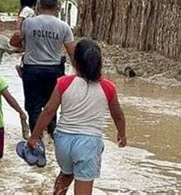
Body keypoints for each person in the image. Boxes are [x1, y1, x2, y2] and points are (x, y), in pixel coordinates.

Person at [27, 39, 127, 194]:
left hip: (63, 141)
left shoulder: (63, 83)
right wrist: (122, 134)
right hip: (88, 143)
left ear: (74, 62)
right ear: (99, 64)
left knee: (66, 174)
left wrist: (34, 137)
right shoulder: (108, 88)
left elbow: (48, 111)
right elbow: (118, 115)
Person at [21, 0, 75, 138]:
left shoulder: (28, 23)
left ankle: (36, 141)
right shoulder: (64, 27)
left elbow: (21, 44)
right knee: (51, 107)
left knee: (33, 108)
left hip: (31, 70)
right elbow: (72, 54)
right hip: (54, 71)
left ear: (39, 6)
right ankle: (53, 138)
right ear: (56, 7)